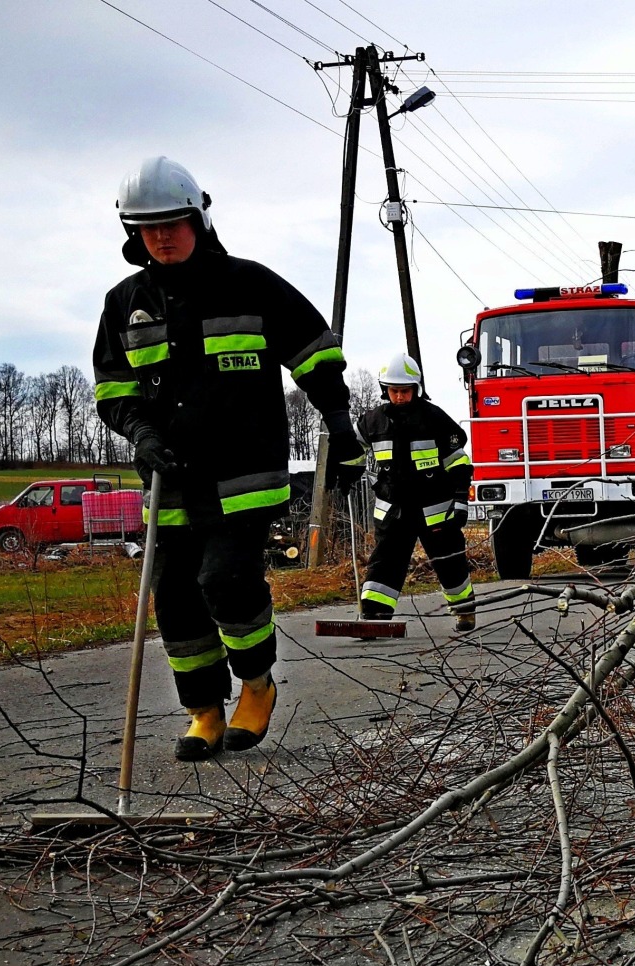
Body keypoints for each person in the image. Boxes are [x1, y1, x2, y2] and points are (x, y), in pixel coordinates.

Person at [92, 157, 363, 761]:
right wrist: (139, 432)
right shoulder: (124, 304)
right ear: (132, 232)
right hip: (170, 479)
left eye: (172, 222)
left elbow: (316, 354)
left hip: (244, 470)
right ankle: (205, 710)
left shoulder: (251, 284)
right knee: (178, 600)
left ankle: (257, 683)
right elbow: (113, 389)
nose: (161, 237)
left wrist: (341, 424)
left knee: (226, 579)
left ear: (198, 216)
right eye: (146, 227)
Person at [355, 354, 476, 631]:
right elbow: (351, 449)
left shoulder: (434, 419)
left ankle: (464, 610)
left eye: (405, 391)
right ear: (385, 390)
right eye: (394, 391)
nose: (399, 396)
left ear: (415, 389)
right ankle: (374, 617)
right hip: (393, 509)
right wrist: (347, 470)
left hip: (435, 509)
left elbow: (458, 462)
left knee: (448, 561)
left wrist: (459, 499)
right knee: (385, 562)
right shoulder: (372, 421)